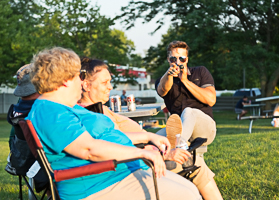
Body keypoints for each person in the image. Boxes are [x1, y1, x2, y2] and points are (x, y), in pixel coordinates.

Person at [27, 47, 201, 200]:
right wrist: (145, 154)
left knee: (190, 190)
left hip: (115, 174)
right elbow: (89, 150)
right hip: (99, 185)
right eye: (78, 76)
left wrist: (147, 136)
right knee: (188, 195)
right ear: (65, 79)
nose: (81, 81)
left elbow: (99, 138)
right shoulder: (52, 113)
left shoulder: (61, 108)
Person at [79, 57, 222, 200]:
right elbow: (116, 144)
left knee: (194, 162)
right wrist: (162, 153)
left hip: (148, 151)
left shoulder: (101, 109)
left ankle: (178, 144)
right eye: (105, 83)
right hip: (142, 161)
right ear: (86, 85)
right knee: (193, 166)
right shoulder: (93, 115)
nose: (110, 87)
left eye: (110, 81)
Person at [154, 40, 222, 199]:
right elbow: (162, 91)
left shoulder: (200, 72)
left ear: (187, 60)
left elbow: (211, 99)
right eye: (173, 59)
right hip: (178, 130)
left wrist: (185, 80)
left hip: (203, 128)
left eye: (181, 59)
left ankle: (178, 150)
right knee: (155, 140)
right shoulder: (164, 78)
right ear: (168, 60)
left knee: (189, 112)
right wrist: (170, 75)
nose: (177, 62)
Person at [6, 64, 49, 194]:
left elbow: (11, 140)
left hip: (19, 161)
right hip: (41, 165)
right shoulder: (41, 109)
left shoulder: (17, 109)